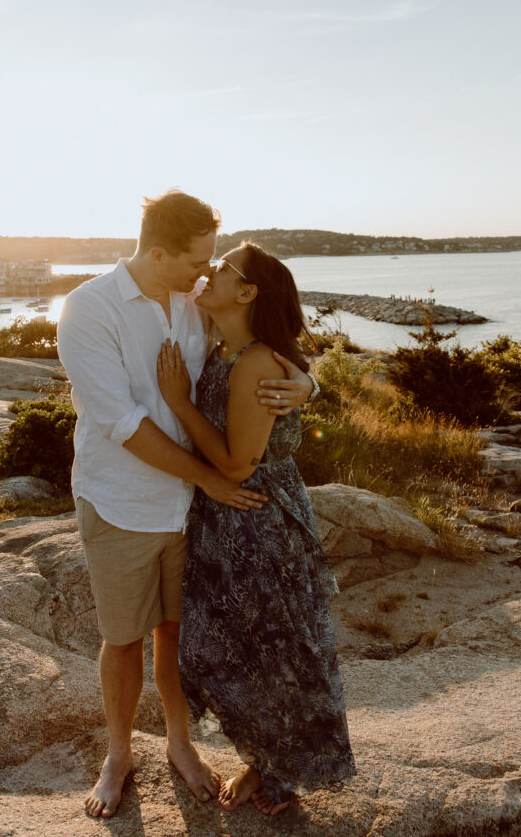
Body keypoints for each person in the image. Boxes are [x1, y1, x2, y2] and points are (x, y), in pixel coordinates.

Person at [57, 191, 314, 819]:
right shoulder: (89, 309)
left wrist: (308, 382)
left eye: (211, 264)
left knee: (176, 634)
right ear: (158, 251)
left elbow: (260, 341)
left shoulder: (192, 302)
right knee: (123, 639)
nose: (205, 274)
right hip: (123, 503)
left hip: (194, 513)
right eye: (196, 262)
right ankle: (118, 754)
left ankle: (179, 744)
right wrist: (213, 479)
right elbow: (122, 421)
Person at [157, 241, 356, 816]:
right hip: (226, 517)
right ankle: (265, 760)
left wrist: (178, 401)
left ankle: (275, 773)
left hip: (256, 519)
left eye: (222, 268)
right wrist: (309, 382)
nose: (208, 272)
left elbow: (238, 463)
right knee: (247, 647)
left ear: (247, 292)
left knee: (273, 649)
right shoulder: (227, 350)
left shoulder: (256, 363)